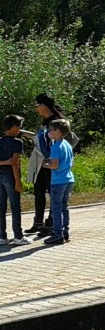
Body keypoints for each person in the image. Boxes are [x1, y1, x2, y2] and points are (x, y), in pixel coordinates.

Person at [27, 94, 66, 237]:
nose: (36, 109)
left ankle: (50, 224)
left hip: (51, 162)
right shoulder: (46, 121)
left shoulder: (57, 121)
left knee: (52, 192)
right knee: (38, 191)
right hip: (41, 163)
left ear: (43, 105)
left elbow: (56, 142)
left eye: (37, 105)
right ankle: (38, 222)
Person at [43, 118, 75, 246]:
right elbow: (71, 162)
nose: (48, 132)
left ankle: (57, 234)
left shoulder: (55, 146)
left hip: (58, 181)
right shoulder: (67, 144)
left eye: (51, 130)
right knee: (64, 206)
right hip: (69, 178)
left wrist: (46, 163)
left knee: (56, 208)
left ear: (58, 131)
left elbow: (54, 165)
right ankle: (65, 231)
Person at [0, 114, 30, 246]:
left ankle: (2, 236)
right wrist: (18, 182)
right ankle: (18, 236)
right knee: (15, 207)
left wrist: (4, 162)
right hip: (10, 176)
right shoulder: (17, 142)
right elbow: (14, 163)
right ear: (13, 127)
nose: (20, 130)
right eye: (19, 127)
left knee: (1, 207)